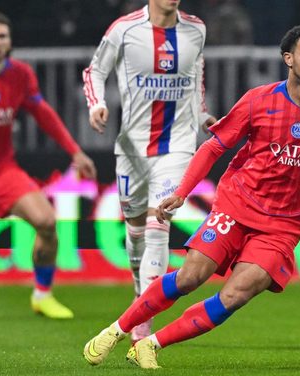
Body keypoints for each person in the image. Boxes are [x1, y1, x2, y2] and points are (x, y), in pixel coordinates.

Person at [83, 23, 300, 369]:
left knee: (235, 295)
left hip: (284, 226)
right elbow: (213, 147)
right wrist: (181, 192)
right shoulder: (259, 101)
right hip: (237, 205)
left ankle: (151, 345)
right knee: (190, 276)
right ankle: (116, 330)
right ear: (288, 59)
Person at [83, 0, 217, 344]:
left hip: (178, 146)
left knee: (159, 224)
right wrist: (96, 104)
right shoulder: (124, 29)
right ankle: (141, 295)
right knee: (136, 231)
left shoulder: (195, 29)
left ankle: (143, 325)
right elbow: (94, 71)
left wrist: (202, 117)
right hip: (133, 148)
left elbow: (195, 79)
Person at [0, 12, 97, 319]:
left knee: (46, 222)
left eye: (1, 37)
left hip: (1, 171)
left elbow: (42, 112)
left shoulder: (20, 74)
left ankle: (42, 295)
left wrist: (75, 151)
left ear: (9, 43)